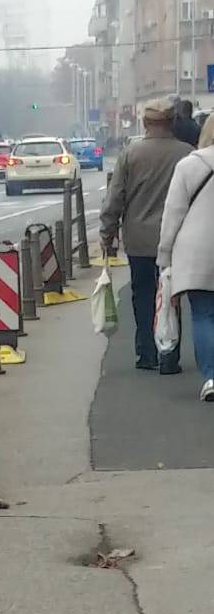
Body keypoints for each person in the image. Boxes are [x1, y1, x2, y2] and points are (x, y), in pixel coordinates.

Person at [99, 97, 192, 371]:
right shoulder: (186, 153)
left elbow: (116, 197)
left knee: (142, 295)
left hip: (139, 238)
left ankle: (146, 353)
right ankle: (169, 353)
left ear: (145, 123)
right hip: (177, 239)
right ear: (172, 122)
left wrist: (107, 232)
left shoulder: (130, 154)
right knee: (171, 295)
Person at [157, 111, 214, 402]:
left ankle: (211, 377)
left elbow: (173, 214)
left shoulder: (189, 166)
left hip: (197, 252)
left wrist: (165, 256)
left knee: (204, 315)